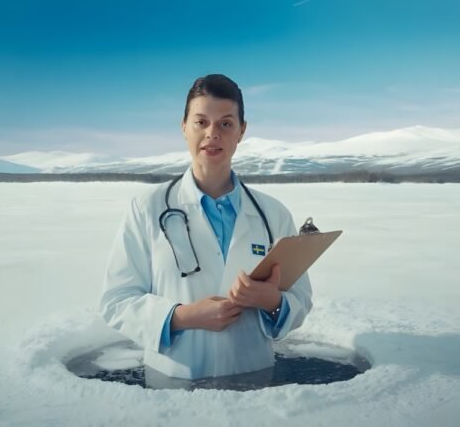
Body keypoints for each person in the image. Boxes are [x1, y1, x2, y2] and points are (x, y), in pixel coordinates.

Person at [99, 74, 312, 382]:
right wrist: (182, 317)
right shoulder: (147, 208)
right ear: (184, 127)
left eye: (226, 123)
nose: (212, 134)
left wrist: (271, 302)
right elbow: (117, 301)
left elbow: (300, 300)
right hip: (172, 384)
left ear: (242, 131)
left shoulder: (273, 214)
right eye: (201, 122)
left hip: (255, 382)